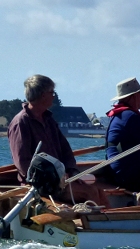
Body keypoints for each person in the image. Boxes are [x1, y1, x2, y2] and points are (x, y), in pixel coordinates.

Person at [8, 74, 104, 205]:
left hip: (60, 181)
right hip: (41, 186)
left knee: (99, 191)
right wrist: (51, 180)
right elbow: (22, 161)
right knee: (90, 192)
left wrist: (72, 171)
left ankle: (110, 222)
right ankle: (98, 223)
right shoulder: (21, 123)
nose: (54, 96)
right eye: (52, 92)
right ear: (42, 95)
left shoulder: (49, 120)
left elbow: (66, 151)